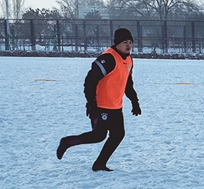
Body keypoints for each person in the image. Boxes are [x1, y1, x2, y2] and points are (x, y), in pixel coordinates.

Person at [56, 28, 142, 171]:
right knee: (98, 136)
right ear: (117, 43)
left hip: (116, 106)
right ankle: (67, 142)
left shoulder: (128, 60)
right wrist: (91, 103)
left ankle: (99, 164)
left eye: (131, 42)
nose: (129, 45)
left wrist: (135, 102)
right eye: (125, 42)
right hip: (100, 105)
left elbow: (128, 83)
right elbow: (90, 81)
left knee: (118, 134)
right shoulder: (107, 58)